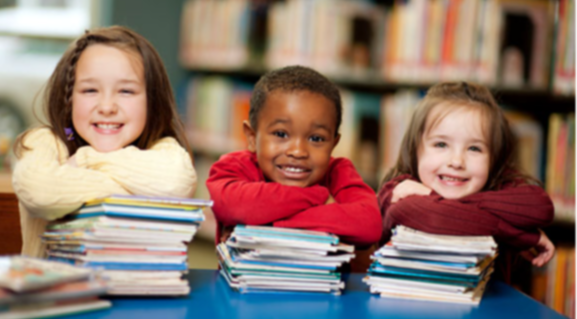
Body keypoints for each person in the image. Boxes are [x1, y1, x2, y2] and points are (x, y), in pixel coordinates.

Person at [12, 26, 197, 258]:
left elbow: (178, 182)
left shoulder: (163, 149)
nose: (107, 107)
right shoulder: (45, 141)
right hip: (54, 292)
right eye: (90, 90)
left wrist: (85, 159)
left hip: (136, 290)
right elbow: (39, 192)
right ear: (68, 99)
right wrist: (134, 193)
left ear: (152, 100)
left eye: (126, 91)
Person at [378, 81, 555, 281]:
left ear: (494, 158)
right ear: (415, 149)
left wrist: (431, 196)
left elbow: (541, 207)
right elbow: (436, 218)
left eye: (474, 149)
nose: (456, 162)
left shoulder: (493, 182)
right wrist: (519, 235)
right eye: (441, 144)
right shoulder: (398, 190)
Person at [206, 66, 382, 257]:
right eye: (281, 134)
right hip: (245, 286)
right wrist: (317, 197)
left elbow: (369, 225)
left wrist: (263, 223)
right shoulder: (235, 166)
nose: (298, 152)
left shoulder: (338, 171)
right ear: (251, 137)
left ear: (333, 143)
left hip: (321, 286)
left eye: (316, 139)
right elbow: (231, 206)